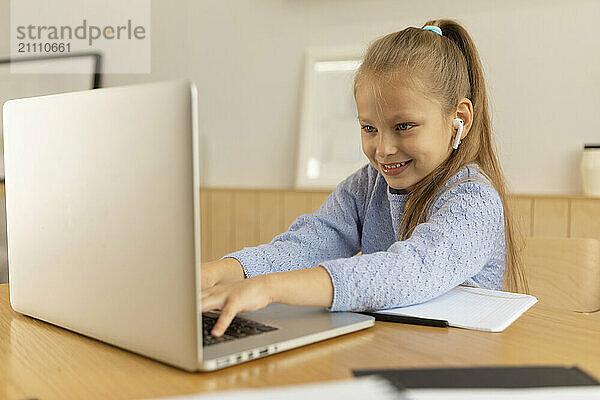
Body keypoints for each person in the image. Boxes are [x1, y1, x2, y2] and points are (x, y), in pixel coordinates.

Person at [201, 19, 528, 337]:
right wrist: (221, 272)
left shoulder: (475, 199)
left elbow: (409, 271)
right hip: (387, 347)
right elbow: (310, 243)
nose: (383, 149)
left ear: (460, 119)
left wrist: (269, 288)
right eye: (369, 128)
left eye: (403, 126)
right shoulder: (368, 184)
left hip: (454, 370)